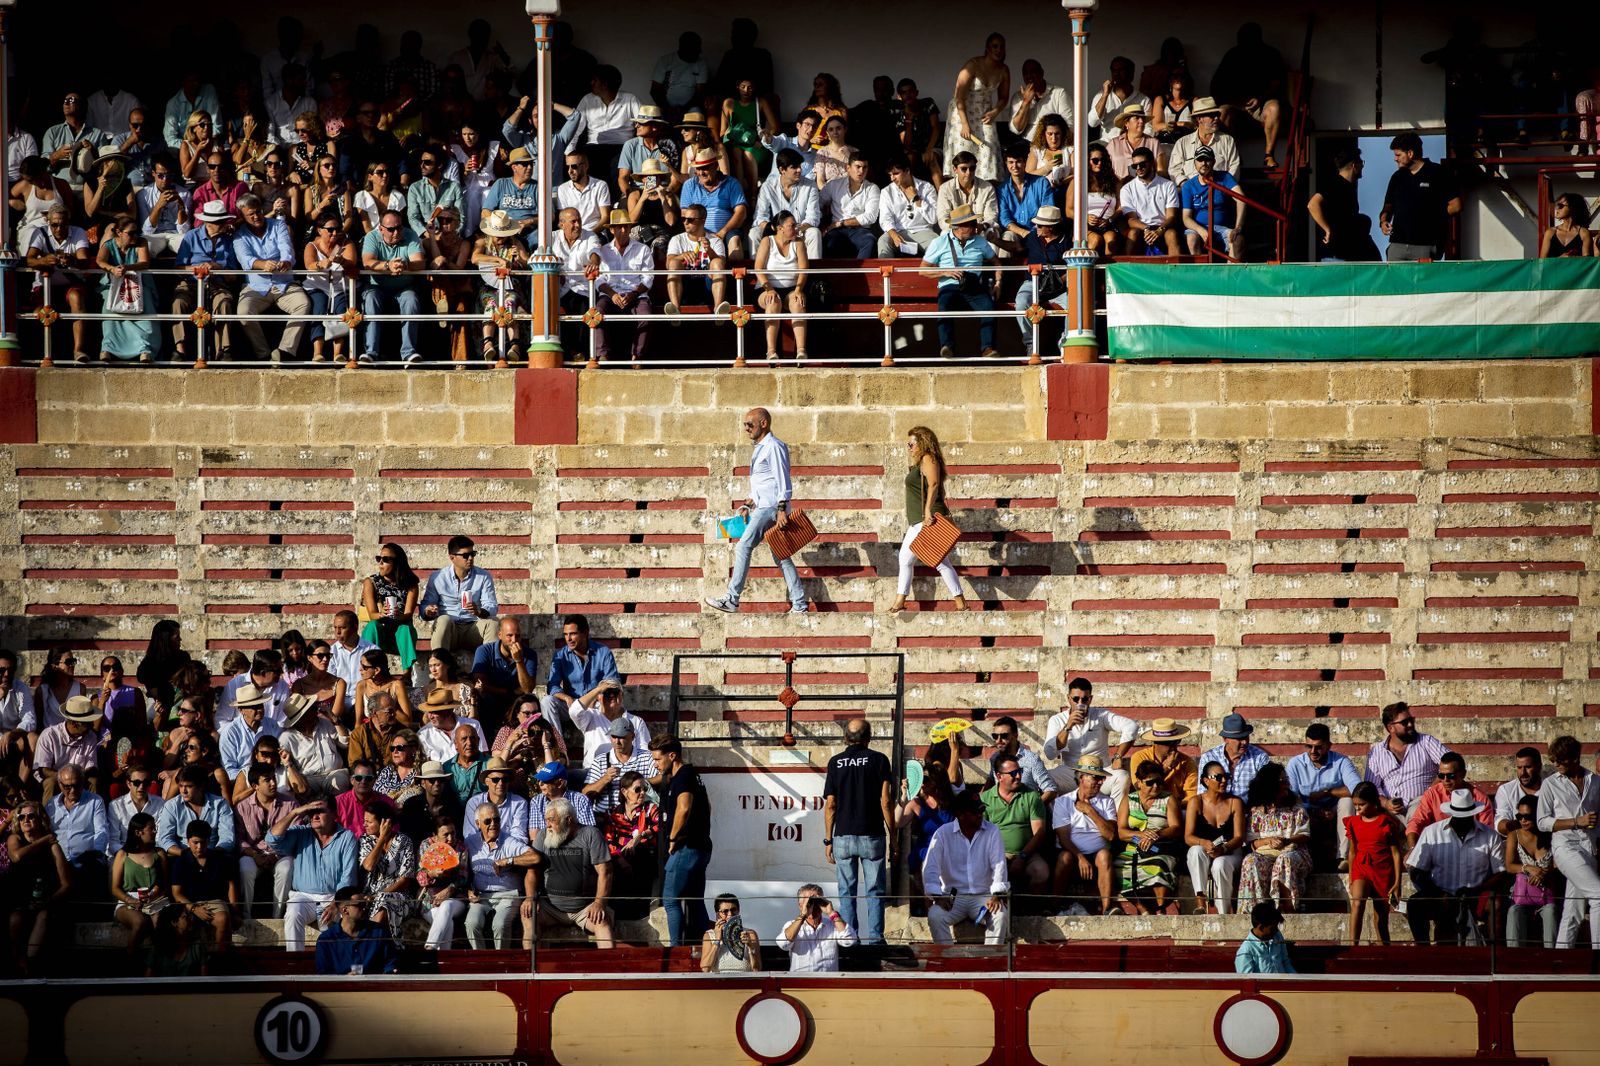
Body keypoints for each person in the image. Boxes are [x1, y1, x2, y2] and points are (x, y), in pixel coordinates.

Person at [705, 408, 808, 614]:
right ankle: (800, 604)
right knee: (781, 555)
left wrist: (781, 509)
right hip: (763, 505)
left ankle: (732, 599)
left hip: (770, 507)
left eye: (749, 424)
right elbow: (763, 484)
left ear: (763, 424)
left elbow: (782, 480)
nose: (746, 428)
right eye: (744, 424)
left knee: (744, 547)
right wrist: (747, 504)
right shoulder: (761, 448)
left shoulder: (774, 446)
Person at [821, 718, 894, 946]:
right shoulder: (879, 760)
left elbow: (831, 804)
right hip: (872, 834)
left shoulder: (835, 762)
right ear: (869, 737)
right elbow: (885, 801)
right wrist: (895, 837)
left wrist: (827, 839)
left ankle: (849, 939)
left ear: (845, 738)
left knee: (847, 891)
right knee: (875, 891)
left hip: (842, 834)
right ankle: (875, 939)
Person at [1407, 789, 1508, 946]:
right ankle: (1423, 951)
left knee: (1496, 903)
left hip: (1475, 895)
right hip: (1441, 896)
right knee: (1415, 903)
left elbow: (1500, 874)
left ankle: (1495, 952)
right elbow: (1417, 872)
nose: (1462, 820)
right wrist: (1438, 893)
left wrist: (1476, 890)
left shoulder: (1489, 835)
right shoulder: (1432, 832)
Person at [890, 426, 969, 613]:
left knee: (939, 561)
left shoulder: (928, 458)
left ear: (922, 443)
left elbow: (933, 484)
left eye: (911, 444)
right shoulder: (921, 462)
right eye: (907, 444)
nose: (909, 447)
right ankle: (900, 601)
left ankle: (960, 602)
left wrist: (927, 511)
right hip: (918, 520)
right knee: (908, 559)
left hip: (927, 519)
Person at [270, 798, 360, 952]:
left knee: (340, 925)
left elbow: (348, 876)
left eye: (320, 811)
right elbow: (272, 839)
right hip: (303, 896)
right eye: (311, 812)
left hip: (334, 897)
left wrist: (336, 904)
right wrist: (294, 812)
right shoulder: (301, 832)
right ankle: (295, 964)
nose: (315, 816)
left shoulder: (347, 836)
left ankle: (338, 969)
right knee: (292, 913)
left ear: (334, 814)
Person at [1536, 735, 1600, 949]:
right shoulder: (1550, 784)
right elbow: (1542, 822)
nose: (1556, 765)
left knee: (1573, 910)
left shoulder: (1595, 781)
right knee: (1599, 895)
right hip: (1565, 847)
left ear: (1574, 758)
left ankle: (1561, 956)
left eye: (1559, 761)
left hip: (1589, 847)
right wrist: (1576, 821)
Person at [232, 194, 312, 363]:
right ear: (243, 216)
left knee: (303, 304)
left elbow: (286, 247)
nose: (256, 217)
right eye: (251, 214)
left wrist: (285, 261)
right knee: (244, 312)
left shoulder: (278, 225)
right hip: (256, 286)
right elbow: (246, 259)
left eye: (259, 212)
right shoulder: (239, 236)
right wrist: (263, 265)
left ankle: (284, 351)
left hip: (283, 282)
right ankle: (263, 354)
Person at [923, 790, 1009, 945]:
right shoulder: (943, 833)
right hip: (953, 898)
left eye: (982, 810)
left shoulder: (992, 831)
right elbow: (930, 868)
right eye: (975, 812)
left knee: (1000, 914)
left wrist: (997, 894)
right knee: (935, 915)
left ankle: (992, 959)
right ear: (960, 814)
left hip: (984, 895)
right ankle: (946, 958)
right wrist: (937, 896)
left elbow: (999, 865)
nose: (980, 814)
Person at [531, 796, 614, 949]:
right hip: (551, 908)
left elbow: (605, 872)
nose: (547, 825)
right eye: (546, 820)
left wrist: (599, 903)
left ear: (568, 820)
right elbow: (532, 872)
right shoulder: (543, 836)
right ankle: (531, 968)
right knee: (529, 915)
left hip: (584, 908)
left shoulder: (590, 835)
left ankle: (609, 970)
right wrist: (530, 898)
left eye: (552, 820)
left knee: (602, 920)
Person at [651, 734, 711, 946]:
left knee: (670, 900)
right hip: (701, 845)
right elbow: (707, 807)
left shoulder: (683, 776)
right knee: (695, 901)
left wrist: (673, 838)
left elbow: (684, 807)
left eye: (658, 759)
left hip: (686, 846)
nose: (655, 764)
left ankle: (675, 950)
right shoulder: (691, 774)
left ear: (672, 755)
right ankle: (709, 944)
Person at [920, 203, 999, 359]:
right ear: (960, 227)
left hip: (973, 286)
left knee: (989, 306)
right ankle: (947, 347)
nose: (976, 227)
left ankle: (988, 348)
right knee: (944, 304)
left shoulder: (980, 241)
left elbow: (997, 263)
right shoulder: (939, 242)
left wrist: (998, 283)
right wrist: (945, 272)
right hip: (949, 286)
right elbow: (922, 270)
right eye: (971, 224)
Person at [5, 801, 72, 975]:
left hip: (45, 898)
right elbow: (17, 857)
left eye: (31, 816)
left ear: (40, 819)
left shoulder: (53, 847)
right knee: (15, 919)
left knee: (43, 916)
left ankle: (30, 964)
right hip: (18, 897)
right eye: (21, 817)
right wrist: (44, 840)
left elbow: (66, 884)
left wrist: (47, 901)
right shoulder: (15, 839)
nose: (25, 820)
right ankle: (18, 964)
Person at [1237, 763, 1312, 914]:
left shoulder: (1294, 805)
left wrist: (1287, 840)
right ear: (1271, 785)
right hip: (1266, 854)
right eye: (1282, 781)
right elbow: (1252, 843)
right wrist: (1268, 840)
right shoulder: (1257, 810)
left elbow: (1305, 834)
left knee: (1284, 860)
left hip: (1295, 853)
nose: (1287, 784)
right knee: (1250, 861)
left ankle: (1287, 910)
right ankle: (1257, 912)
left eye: (1286, 779)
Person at [1210, 23, 1286, 168]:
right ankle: (1232, 158)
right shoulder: (1233, 55)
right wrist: (1236, 101)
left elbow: (1278, 83)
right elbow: (1217, 85)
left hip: (1262, 105)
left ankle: (1268, 156)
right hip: (1238, 107)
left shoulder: (1270, 54)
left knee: (1274, 107)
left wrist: (1260, 98)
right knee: (1223, 112)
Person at [1050, 755, 1119, 915]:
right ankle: (1054, 904)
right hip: (1072, 853)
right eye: (1096, 778)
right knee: (1064, 857)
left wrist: (1090, 811)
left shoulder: (1107, 802)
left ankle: (1108, 907)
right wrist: (1080, 857)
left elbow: (1110, 835)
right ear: (1082, 778)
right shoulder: (1063, 801)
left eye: (1101, 778)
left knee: (1104, 855)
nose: (1101, 782)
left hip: (1098, 854)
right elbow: (1063, 837)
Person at [1287, 722, 1361, 871]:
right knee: (1297, 809)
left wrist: (1329, 792)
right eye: (1309, 746)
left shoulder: (1341, 761)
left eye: (1319, 747)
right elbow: (1293, 798)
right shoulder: (1295, 764)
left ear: (1329, 745)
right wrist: (1315, 811)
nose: (1313, 751)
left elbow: (1358, 789)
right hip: (1308, 813)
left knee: (1347, 802)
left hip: (1336, 812)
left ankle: (1343, 857)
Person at [1380, 132, 1462, 261]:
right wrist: (1383, 222)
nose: (1395, 159)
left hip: (1426, 246)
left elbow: (1456, 205)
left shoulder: (1438, 173)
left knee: (1424, 281)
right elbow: (1388, 207)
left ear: (1410, 153)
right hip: (1397, 246)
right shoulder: (1397, 177)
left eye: (1398, 155)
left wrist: (1433, 217)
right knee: (1395, 282)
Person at [464, 799, 533, 949]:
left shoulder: (509, 841)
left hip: (509, 894)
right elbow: (462, 872)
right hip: (481, 896)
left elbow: (535, 857)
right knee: (471, 923)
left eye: (496, 819)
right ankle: (481, 961)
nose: (493, 824)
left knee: (500, 924)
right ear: (478, 824)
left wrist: (508, 861)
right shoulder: (470, 843)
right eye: (487, 821)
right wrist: (468, 890)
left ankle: (502, 963)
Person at [1364, 702, 1451, 821]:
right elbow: (1371, 788)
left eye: (1411, 720)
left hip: (1421, 803)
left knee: (1416, 812)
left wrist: (1431, 789)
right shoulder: (1377, 752)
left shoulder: (1426, 742)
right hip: (1389, 809)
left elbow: (1452, 763)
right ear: (1391, 728)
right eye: (1404, 722)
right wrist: (1386, 803)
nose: (1410, 724)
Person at [1116, 758, 1181, 914]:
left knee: (1159, 865)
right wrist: (1139, 835)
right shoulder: (1128, 800)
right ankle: (1141, 908)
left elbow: (1176, 828)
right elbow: (1121, 832)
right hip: (1133, 848)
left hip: (1161, 847)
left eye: (1159, 781)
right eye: (1150, 783)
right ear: (1139, 782)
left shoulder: (1167, 798)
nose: (1156, 786)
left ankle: (1160, 908)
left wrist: (1156, 835)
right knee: (1117, 867)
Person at [1344, 782, 1404, 945]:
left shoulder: (1386, 822)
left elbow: (1396, 853)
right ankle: (1352, 946)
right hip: (1361, 868)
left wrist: (1398, 883)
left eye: (1362, 804)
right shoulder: (1353, 823)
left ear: (1374, 802)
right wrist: (1350, 878)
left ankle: (1383, 951)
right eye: (1355, 805)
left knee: (1381, 918)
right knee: (1357, 902)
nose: (1358, 808)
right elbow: (1352, 852)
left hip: (1383, 870)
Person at [944, 34, 1010, 183]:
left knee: (989, 149)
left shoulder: (1004, 70)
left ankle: (986, 189)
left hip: (984, 113)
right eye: (995, 46)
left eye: (1001, 46)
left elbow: (1003, 97)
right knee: (964, 154)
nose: (998, 50)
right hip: (962, 113)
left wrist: (996, 111)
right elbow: (959, 96)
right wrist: (964, 124)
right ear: (987, 48)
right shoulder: (973, 65)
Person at [594, 205, 656, 363]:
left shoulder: (643, 249)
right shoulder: (603, 250)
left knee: (646, 316)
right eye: (619, 227)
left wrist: (633, 293)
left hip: (636, 294)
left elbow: (648, 278)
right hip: (610, 295)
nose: (623, 230)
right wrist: (612, 294)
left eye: (626, 226)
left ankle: (638, 356)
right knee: (596, 312)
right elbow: (599, 279)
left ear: (630, 228)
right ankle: (602, 354)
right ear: (612, 230)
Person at [169, 820, 241, 953]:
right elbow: (177, 893)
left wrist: (235, 911)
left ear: (208, 841)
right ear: (188, 841)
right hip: (188, 903)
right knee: (181, 924)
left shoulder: (220, 859)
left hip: (214, 901)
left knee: (223, 919)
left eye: (203, 842)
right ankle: (184, 958)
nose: (199, 847)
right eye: (195, 842)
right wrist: (194, 908)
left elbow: (231, 886)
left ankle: (219, 956)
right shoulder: (181, 862)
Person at [1185, 761, 1246, 915]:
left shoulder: (1235, 802)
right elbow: (1188, 837)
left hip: (1231, 852)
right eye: (1219, 777)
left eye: (1226, 776)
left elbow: (1239, 837)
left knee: (1220, 864)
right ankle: (1200, 898)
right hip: (1207, 850)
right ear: (1206, 781)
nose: (1224, 781)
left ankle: (1223, 912)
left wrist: (1224, 848)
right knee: (1195, 851)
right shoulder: (1196, 802)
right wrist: (1203, 842)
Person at [419, 536, 499, 651]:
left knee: (493, 623)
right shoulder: (438, 577)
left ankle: (488, 667)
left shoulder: (483, 576)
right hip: (450, 630)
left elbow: (491, 605)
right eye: (466, 555)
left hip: (473, 628)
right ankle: (439, 662)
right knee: (443, 620)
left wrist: (479, 611)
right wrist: (428, 610)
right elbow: (424, 607)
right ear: (452, 557)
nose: (470, 558)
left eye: (473, 554)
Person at [236, 764, 295, 918]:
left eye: (274, 778)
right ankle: (246, 916)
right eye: (267, 780)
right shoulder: (242, 807)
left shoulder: (290, 804)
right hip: (253, 855)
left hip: (280, 854)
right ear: (255, 786)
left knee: (286, 868)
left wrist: (276, 854)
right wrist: (254, 855)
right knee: (245, 867)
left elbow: (296, 835)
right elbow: (239, 839)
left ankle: (278, 917)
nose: (273, 783)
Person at [1406, 752, 1494, 850]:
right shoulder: (1432, 794)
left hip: (1472, 847)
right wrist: (1412, 848)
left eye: (1451, 776)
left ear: (1463, 774)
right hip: (1439, 846)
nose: (1445, 780)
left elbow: (1487, 833)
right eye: (1441, 776)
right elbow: (1417, 821)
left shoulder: (1480, 799)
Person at [753, 212, 809, 363]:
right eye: (792, 226)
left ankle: (801, 351)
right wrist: (769, 289)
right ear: (780, 228)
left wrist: (798, 290)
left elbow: (804, 270)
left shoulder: (798, 243)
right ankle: (771, 352)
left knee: (798, 302)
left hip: (792, 288)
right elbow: (758, 268)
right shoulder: (767, 241)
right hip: (766, 288)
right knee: (773, 301)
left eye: (796, 225)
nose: (796, 229)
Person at [1506, 795, 1560, 949]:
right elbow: (1509, 866)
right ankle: (1514, 959)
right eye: (1519, 816)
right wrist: (1527, 868)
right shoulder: (1514, 835)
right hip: (1522, 893)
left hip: (1546, 891)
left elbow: (1560, 862)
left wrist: (1544, 872)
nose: (1523, 820)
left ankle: (1554, 959)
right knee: (1514, 911)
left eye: (1527, 816)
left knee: (1551, 912)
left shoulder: (1551, 835)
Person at [111, 811, 169, 955]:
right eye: (151, 828)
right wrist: (130, 900)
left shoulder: (159, 853)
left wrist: (154, 895)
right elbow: (115, 888)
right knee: (139, 922)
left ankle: (158, 962)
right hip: (128, 901)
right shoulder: (123, 854)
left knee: (160, 923)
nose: (155, 831)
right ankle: (130, 962)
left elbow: (165, 883)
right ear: (138, 832)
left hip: (156, 900)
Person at [1307, 149, 1380, 262]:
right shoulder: (1336, 184)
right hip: (1336, 254)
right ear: (1354, 165)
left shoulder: (1349, 187)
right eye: (1361, 163)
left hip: (1346, 253)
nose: (1362, 167)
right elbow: (1313, 204)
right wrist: (1327, 229)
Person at [1014, 205, 1071, 348]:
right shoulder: (1033, 236)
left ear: (1050, 227)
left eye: (1039, 225)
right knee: (1021, 302)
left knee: (1074, 306)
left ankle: (1066, 343)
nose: (1036, 227)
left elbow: (1073, 267)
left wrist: (1059, 282)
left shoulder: (1067, 242)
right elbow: (1017, 248)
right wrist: (995, 241)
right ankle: (1030, 343)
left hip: (1058, 289)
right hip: (1032, 283)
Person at [357, 803, 416, 940]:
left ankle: (368, 943)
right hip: (369, 896)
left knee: (385, 902)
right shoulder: (365, 840)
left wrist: (379, 896)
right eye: (364, 821)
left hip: (398, 895)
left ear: (384, 822)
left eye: (369, 822)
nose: (364, 825)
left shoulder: (404, 841)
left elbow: (405, 880)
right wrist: (381, 839)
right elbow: (368, 866)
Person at [45, 764, 109, 891]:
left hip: (86, 863)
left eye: (76, 785)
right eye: (67, 786)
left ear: (83, 782)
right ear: (59, 785)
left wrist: (96, 856)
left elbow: (101, 831)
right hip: (58, 863)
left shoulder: (95, 801)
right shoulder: (51, 804)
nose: (73, 790)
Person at [471, 617, 537, 736]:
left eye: (517, 636)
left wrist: (519, 661)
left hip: (515, 700)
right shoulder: (484, 651)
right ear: (500, 635)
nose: (514, 640)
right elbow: (480, 683)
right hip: (493, 697)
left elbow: (527, 688)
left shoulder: (529, 654)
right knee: (485, 700)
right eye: (509, 636)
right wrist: (509, 692)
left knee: (529, 704)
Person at [280, 693, 351, 798]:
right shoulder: (287, 738)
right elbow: (284, 764)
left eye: (312, 708)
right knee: (303, 790)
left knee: (339, 782)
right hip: (309, 778)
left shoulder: (325, 723)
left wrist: (335, 721)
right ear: (300, 719)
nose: (315, 712)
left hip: (334, 772)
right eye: (310, 710)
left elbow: (345, 743)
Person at [681, 148, 748, 260]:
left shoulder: (731, 183)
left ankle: (735, 277)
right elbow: (685, 215)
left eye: (705, 168)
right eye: (698, 169)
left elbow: (741, 212)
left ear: (716, 165)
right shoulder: (689, 185)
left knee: (734, 241)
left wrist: (722, 232)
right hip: (698, 231)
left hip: (727, 231)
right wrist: (701, 233)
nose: (701, 173)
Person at [315, 886, 399, 974]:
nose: (365, 908)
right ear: (345, 910)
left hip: (373, 986)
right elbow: (323, 974)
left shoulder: (380, 932)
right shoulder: (326, 940)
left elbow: (390, 962)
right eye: (360, 905)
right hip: (341, 987)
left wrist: (390, 971)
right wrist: (344, 980)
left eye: (366, 904)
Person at [664, 205, 730, 316]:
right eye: (684, 219)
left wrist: (710, 251)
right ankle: (675, 310)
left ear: (702, 221)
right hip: (685, 286)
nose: (685, 222)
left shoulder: (715, 241)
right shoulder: (677, 239)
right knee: (674, 263)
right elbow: (668, 264)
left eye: (690, 220)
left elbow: (722, 265)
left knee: (717, 262)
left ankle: (718, 310)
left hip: (709, 286)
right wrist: (681, 256)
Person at [1180, 146, 1246, 257]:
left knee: (1238, 240)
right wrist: (1200, 230)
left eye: (1207, 159)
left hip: (1223, 228)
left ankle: (1229, 273)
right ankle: (1199, 273)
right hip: (1198, 228)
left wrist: (1238, 227)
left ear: (1214, 161)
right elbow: (1186, 217)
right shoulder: (1188, 185)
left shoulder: (1224, 177)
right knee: (1192, 238)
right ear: (1195, 163)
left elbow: (1241, 199)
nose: (1203, 163)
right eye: (1200, 160)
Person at [34, 695, 104, 800]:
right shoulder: (49, 735)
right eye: (88, 724)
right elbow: (44, 770)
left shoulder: (90, 736)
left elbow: (91, 766)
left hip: (80, 778)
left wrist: (76, 778)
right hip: (55, 778)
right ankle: (47, 815)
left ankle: (93, 812)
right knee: (51, 783)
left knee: (93, 781)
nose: (91, 726)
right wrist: (66, 778)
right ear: (75, 724)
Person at [416, 815, 469, 950]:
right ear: (435, 836)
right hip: (430, 901)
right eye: (446, 835)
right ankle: (444, 962)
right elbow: (420, 877)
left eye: (453, 833)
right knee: (448, 923)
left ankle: (430, 947)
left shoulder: (461, 847)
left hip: (456, 898)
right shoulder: (426, 846)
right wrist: (431, 874)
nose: (451, 838)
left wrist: (449, 890)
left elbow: (463, 878)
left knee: (446, 906)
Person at [778, 883, 857, 972]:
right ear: (800, 905)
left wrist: (831, 913)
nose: (813, 906)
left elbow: (850, 940)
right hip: (800, 982)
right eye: (809, 903)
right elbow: (783, 944)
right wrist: (803, 915)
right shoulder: (792, 925)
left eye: (817, 902)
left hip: (828, 982)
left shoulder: (832, 925)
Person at [1120, 147, 1182, 256]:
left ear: (1152, 163)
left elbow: (1171, 217)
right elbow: (1131, 219)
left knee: (1171, 234)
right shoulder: (1127, 189)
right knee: (1133, 233)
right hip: (1141, 228)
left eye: (1142, 164)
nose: (1138, 168)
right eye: (1135, 166)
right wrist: (1146, 229)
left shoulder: (1168, 185)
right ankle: (1128, 270)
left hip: (1163, 227)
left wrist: (1160, 230)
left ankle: (1175, 271)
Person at [877, 156, 941, 258]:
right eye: (890, 174)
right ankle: (887, 274)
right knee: (883, 241)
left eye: (896, 173)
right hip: (897, 231)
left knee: (938, 245)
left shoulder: (927, 187)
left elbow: (933, 219)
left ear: (907, 171)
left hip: (923, 231)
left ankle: (936, 273)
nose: (892, 178)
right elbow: (885, 218)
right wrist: (893, 234)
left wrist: (917, 199)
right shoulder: (886, 192)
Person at [721, 78, 775, 198]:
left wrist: (765, 138)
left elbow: (775, 127)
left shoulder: (759, 102)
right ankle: (740, 194)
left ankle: (753, 195)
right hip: (733, 142)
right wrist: (731, 135)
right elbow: (722, 132)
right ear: (737, 87)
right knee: (736, 151)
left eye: (750, 87)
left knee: (748, 154)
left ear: (754, 88)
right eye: (743, 86)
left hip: (753, 143)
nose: (746, 90)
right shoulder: (729, 103)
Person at [1168, 99, 1240, 186]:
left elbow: (1234, 168)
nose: (1216, 118)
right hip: (1192, 194)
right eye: (1212, 116)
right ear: (1199, 119)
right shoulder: (1182, 143)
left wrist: (1222, 188)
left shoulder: (1227, 140)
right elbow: (1174, 170)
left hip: (1220, 191)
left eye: (1217, 115)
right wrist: (1188, 187)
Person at [219, 682, 281, 781]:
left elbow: (280, 754)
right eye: (254, 706)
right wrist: (252, 778)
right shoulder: (230, 733)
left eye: (261, 705)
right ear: (241, 710)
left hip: (273, 777)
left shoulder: (272, 725)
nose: (260, 709)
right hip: (244, 782)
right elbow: (229, 770)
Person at [1008, 60, 1073, 145]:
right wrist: (1026, 102)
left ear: (1041, 73)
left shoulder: (1059, 93)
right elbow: (1016, 129)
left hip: (1053, 143)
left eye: (1033, 72)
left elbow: (1069, 125)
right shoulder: (1018, 97)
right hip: (1028, 144)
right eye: (1026, 73)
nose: (1029, 76)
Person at [1087, 56, 1150, 138]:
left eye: (1121, 70)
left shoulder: (1144, 100)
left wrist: (1133, 140)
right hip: (1107, 144)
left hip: (1134, 144)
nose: (1116, 74)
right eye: (1114, 71)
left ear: (1131, 74)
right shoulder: (1101, 96)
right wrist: (1105, 95)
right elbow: (1092, 122)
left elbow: (1149, 129)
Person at [109, 764, 164, 855]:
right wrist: (130, 857)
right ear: (128, 784)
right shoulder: (115, 806)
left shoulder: (160, 804)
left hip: (151, 854)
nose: (141, 787)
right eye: (137, 783)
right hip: (123, 854)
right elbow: (113, 841)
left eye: (145, 783)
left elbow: (160, 838)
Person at [701, 893, 762, 972]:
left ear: (738, 910)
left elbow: (757, 969)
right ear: (718, 914)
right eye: (725, 911)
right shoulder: (709, 935)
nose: (730, 914)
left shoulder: (750, 934)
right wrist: (717, 941)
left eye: (733, 910)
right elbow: (705, 968)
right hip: (718, 982)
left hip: (744, 981)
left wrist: (751, 947)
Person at [556, 149, 612, 235]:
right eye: (568, 167)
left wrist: (590, 235)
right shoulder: (562, 189)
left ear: (585, 166)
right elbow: (563, 220)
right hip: (572, 234)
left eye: (574, 166)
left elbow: (605, 217)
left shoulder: (600, 185)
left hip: (595, 233)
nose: (570, 171)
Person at [1495, 747, 1545, 837]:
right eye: (1519, 767)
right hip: (1518, 842)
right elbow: (1500, 823)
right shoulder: (1506, 790)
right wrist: (1518, 824)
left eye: (1528, 767)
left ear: (1539, 766)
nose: (1523, 773)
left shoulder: (1551, 788)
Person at [1105, 104, 1162, 182]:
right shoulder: (1113, 144)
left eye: (1142, 118)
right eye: (1137, 118)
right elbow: (1105, 170)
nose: (1141, 121)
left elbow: (1161, 171)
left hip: (1147, 189)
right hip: (1118, 188)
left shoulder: (1154, 143)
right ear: (1126, 123)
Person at [1235, 901, 1296, 974]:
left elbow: (1286, 962)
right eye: (1273, 928)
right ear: (1261, 927)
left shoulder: (1277, 935)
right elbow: (1247, 982)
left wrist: (1296, 981)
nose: (1276, 930)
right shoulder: (1246, 951)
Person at [1540, 194, 1594, 258]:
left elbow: (1586, 261)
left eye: (1560, 206)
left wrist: (1573, 258)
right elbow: (1542, 263)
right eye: (1557, 206)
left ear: (1572, 208)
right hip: (1554, 268)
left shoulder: (1584, 233)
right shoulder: (1550, 232)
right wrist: (1560, 259)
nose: (1557, 210)